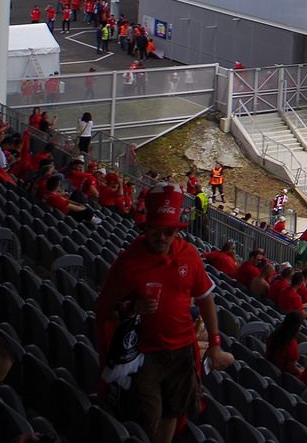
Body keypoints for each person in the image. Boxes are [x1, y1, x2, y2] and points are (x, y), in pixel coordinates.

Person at [94, 184, 227, 443]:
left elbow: (205, 298)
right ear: (146, 229)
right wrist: (134, 308)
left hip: (182, 350)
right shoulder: (129, 262)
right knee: (148, 414)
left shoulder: (189, 254)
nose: (163, 238)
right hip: (146, 354)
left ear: (177, 231)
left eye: (169, 232)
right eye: (157, 231)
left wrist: (215, 342)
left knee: (174, 409)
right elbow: (105, 308)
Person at [266, 311, 305, 376]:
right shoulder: (291, 344)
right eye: (300, 325)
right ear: (296, 327)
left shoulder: (275, 334)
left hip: (271, 369)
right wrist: (301, 372)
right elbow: (291, 368)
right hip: (282, 376)